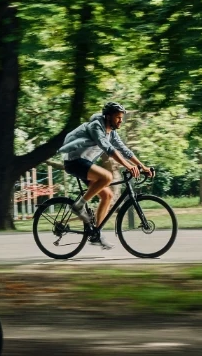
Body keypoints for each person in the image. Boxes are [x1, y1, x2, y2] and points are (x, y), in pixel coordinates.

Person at [57, 102, 153, 249]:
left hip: (85, 164)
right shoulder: (95, 126)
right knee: (107, 176)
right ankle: (78, 206)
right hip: (74, 162)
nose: (120, 120)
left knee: (107, 196)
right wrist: (128, 166)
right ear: (108, 116)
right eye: (117, 117)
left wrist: (142, 166)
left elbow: (124, 150)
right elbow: (108, 148)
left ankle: (96, 234)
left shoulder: (112, 132)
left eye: (121, 118)